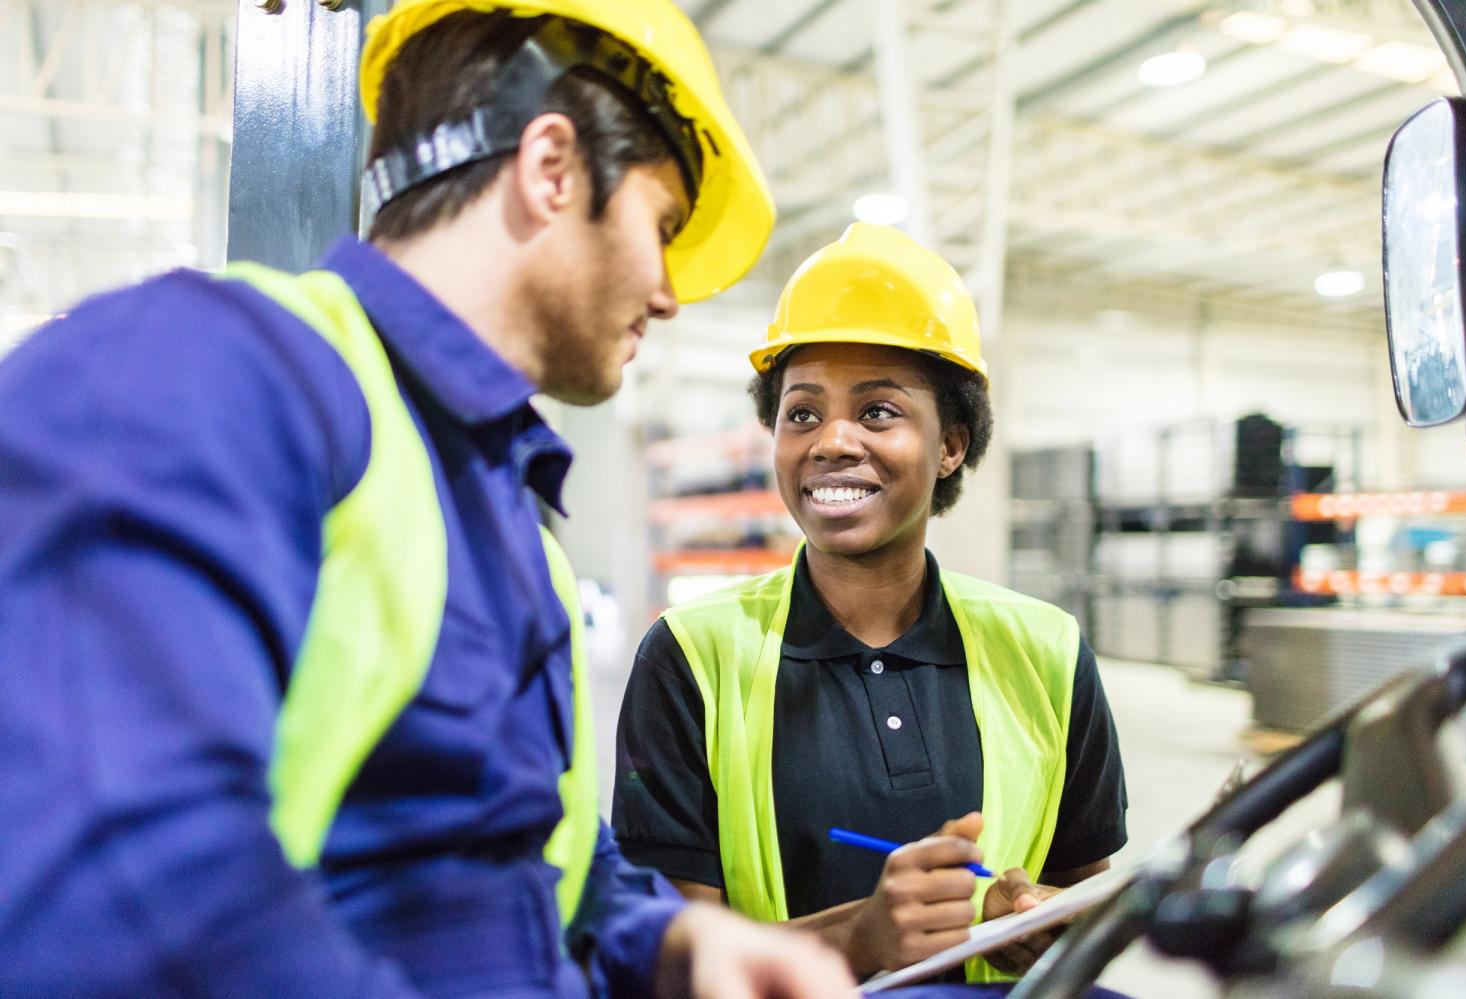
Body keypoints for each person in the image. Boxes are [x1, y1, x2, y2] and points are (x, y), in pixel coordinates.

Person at [0, 2, 857, 995]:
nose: (668, 292)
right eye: (659, 227)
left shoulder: (511, 527)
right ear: (552, 168)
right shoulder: (209, 370)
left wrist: (664, 939)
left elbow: (544, 857)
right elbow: (121, 891)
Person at [613, 223, 1129, 985]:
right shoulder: (692, 656)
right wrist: (862, 934)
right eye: (802, 413)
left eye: (879, 411)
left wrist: (1040, 918)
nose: (832, 441)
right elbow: (669, 960)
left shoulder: (1046, 649)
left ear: (951, 444)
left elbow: (1088, 892)